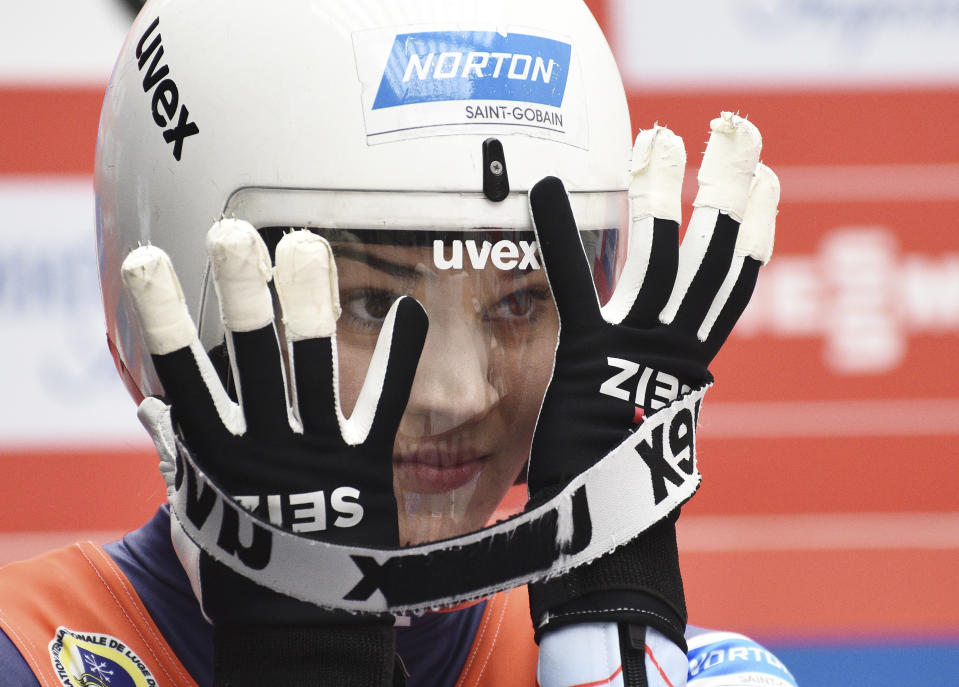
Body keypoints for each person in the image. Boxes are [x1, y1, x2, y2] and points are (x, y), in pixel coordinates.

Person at [0, 1, 798, 685]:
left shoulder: (701, 668)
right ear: (179, 293)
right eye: (370, 303)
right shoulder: (26, 654)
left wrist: (610, 648)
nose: (458, 392)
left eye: (519, 300)